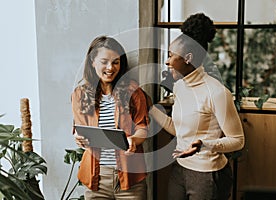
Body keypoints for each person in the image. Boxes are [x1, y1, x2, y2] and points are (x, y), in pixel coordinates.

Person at [149, 13, 245, 200]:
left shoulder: (216, 92)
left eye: (170, 56)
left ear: (188, 58)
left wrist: (204, 144)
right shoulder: (179, 86)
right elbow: (179, 129)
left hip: (207, 174)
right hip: (180, 168)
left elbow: (238, 140)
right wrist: (149, 108)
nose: (167, 61)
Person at [71, 36, 149, 199]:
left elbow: (142, 128)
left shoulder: (133, 91)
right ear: (93, 61)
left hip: (130, 177)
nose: (110, 67)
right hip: (96, 178)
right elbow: (79, 130)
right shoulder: (80, 94)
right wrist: (78, 138)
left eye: (115, 62)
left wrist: (134, 140)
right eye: (104, 61)